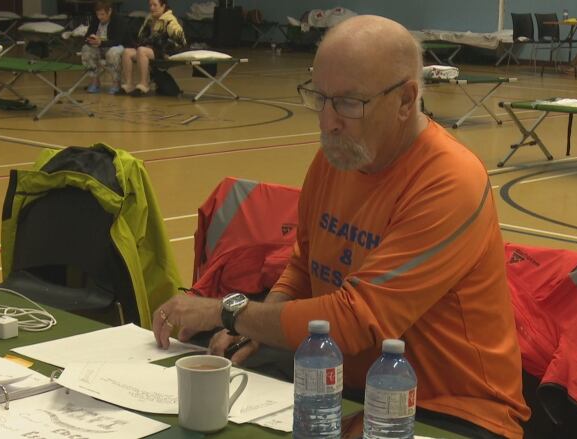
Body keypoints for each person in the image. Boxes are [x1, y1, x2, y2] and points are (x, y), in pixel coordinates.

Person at [153, 15, 530, 439]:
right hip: (343, 386)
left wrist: (229, 310)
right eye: (321, 98)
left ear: (407, 100)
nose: (327, 121)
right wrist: (257, 329)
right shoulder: (340, 156)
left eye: (350, 103)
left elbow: (355, 320)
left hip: (451, 412)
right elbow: (304, 263)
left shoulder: (449, 181)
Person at [120, 0, 186, 96]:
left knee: (142, 51)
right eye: (150, 5)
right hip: (150, 50)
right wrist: (146, 43)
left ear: (163, 6)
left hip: (166, 52)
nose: (151, 8)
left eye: (155, 5)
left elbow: (181, 41)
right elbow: (141, 37)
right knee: (127, 52)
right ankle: (128, 84)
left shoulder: (170, 21)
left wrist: (156, 45)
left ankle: (144, 84)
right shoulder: (149, 18)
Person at [81, 0, 127, 94]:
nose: (100, 17)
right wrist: (90, 40)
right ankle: (95, 81)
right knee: (86, 49)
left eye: (102, 14)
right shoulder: (96, 20)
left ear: (109, 11)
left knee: (112, 53)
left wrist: (101, 43)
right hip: (99, 46)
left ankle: (116, 82)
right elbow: (87, 35)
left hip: (117, 46)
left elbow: (117, 40)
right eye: (98, 14)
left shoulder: (118, 20)